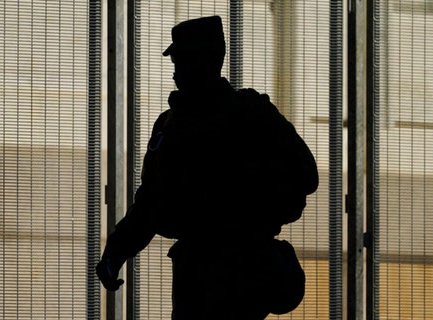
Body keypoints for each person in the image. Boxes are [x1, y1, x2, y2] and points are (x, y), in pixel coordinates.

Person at [96, 15, 318, 319]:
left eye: (185, 59)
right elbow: (150, 203)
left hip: (242, 275)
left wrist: (247, 215)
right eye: (176, 60)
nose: (177, 71)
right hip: (194, 277)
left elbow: (304, 174)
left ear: (212, 58)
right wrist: (116, 252)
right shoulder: (169, 125)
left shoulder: (250, 114)